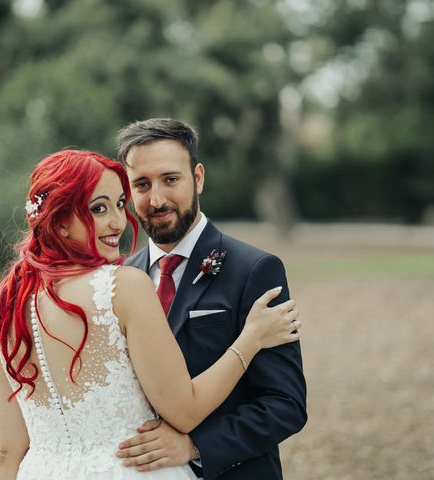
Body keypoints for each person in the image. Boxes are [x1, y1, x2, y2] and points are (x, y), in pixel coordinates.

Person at [0, 150, 301, 480]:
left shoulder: (5, 307)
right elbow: (185, 411)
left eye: (120, 203)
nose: (119, 222)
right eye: (98, 208)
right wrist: (250, 340)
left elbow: (9, 450)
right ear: (60, 221)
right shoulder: (125, 285)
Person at [116, 118, 307, 480]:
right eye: (142, 184)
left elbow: (286, 405)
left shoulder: (256, 270)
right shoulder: (122, 278)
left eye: (170, 179)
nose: (156, 199)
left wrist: (195, 446)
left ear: (198, 178)